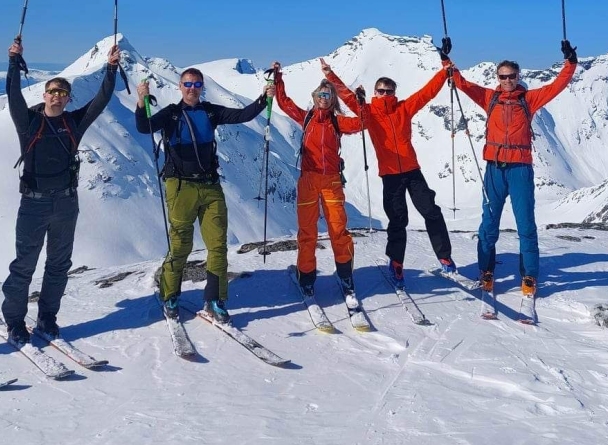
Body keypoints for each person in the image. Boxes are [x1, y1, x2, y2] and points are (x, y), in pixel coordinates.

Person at [0, 38, 119, 344]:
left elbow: (101, 100)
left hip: (66, 203)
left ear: (67, 99)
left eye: (62, 93)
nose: (56, 96)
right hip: (33, 203)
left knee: (58, 264)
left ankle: (47, 317)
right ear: (45, 94)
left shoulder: (73, 123)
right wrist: (14, 61)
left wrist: (111, 68)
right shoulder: (28, 121)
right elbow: (12, 94)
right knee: (24, 264)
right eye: (52, 91)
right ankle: (14, 322)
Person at [135, 68, 274, 324]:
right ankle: (170, 296)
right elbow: (145, 126)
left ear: (202, 87)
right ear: (180, 86)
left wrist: (264, 98)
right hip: (180, 187)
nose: (192, 88)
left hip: (210, 186)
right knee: (180, 246)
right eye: (188, 84)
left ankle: (215, 300)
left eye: (197, 84)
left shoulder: (210, 112)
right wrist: (141, 100)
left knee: (218, 246)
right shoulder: (171, 114)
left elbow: (242, 115)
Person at [448, 40, 579, 300]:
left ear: (519, 77)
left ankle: (529, 276)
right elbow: (462, 83)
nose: (507, 80)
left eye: (511, 76)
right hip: (494, 169)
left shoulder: (529, 99)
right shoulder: (490, 98)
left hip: (520, 169)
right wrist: (446, 60)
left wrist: (571, 63)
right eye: (503, 76)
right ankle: (486, 272)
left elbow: (558, 86)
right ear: (497, 78)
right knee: (488, 226)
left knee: (526, 226)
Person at [320, 41, 456, 286]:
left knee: (431, 212)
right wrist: (329, 74)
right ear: (375, 92)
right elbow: (348, 97)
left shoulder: (404, 109)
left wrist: (445, 68)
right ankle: (396, 264)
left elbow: (427, 92)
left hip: (413, 171)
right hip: (390, 175)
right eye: (381, 91)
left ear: (395, 93)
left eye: (389, 91)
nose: (385, 94)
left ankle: (445, 258)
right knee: (398, 221)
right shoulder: (369, 112)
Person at [271, 61, 362, 298]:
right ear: (315, 96)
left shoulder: (337, 122)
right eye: (321, 93)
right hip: (308, 181)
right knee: (307, 231)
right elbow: (284, 102)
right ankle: (307, 277)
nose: (324, 97)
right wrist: (278, 77)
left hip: (331, 181)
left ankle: (345, 275)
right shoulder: (306, 118)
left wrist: (359, 102)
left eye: (329, 94)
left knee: (338, 230)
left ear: (333, 99)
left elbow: (363, 121)